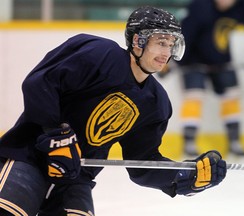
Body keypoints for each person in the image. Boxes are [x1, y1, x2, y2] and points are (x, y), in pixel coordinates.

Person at [0, 6, 226, 216]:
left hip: (76, 177)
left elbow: (142, 162)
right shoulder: (99, 55)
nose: (166, 52)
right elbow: (41, 83)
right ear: (138, 41)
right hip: (30, 158)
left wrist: (184, 177)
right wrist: (55, 136)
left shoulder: (156, 103)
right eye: (161, 42)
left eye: (171, 44)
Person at [172, 0, 244, 157]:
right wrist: (174, 60)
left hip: (221, 59)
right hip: (193, 60)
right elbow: (186, 34)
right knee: (194, 97)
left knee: (232, 96)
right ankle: (189, 142)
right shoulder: (200, 6)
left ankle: (234, 142)